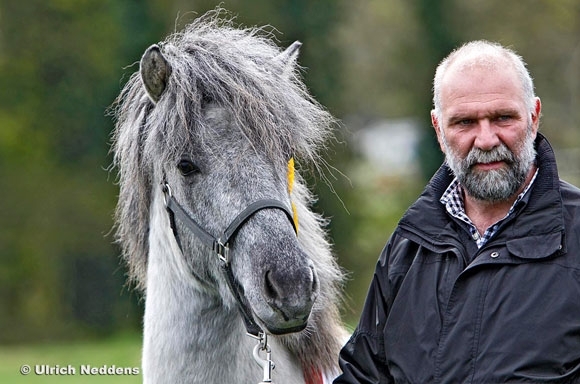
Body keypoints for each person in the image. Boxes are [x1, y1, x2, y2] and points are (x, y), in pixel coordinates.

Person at [334, 40, 580, 383]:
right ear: (438, 129)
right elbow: (364, 376)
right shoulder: (409, 246)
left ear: (535, 116)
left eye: (503, 117)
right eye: (464, 122)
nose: (485, 139)